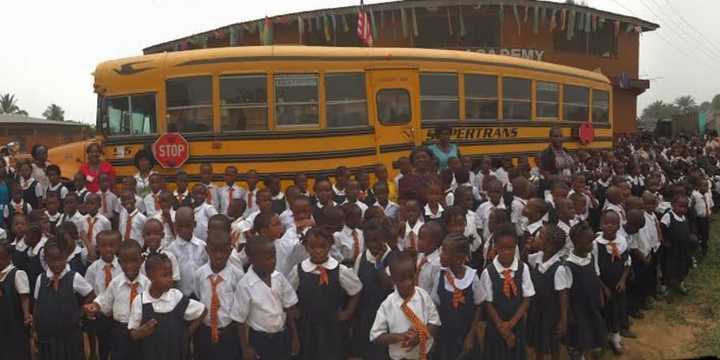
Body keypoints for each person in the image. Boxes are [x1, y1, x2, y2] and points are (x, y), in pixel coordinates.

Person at [288, 226, 363, 360]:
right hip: (307, 325)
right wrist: (293, 309)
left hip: (332, 326)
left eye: (322, 246)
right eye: (312, 246)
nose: (318, 250)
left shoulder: (340, 270)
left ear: (330, 246)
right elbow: (287, 293)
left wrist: (348, 312)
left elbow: (356, 290)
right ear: (306, 247)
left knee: (332, 353)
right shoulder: (298, 270)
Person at [128, 253, 206, 360]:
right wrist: (143, 331)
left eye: (171, 274)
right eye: (165, 275)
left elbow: (202, 311)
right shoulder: (140, 301)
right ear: (150, 276)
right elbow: (132, 334)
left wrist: (186, 334)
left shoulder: (176, 297)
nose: (170, 279)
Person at [232, 235, 299, 360]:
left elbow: (289, 308)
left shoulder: (278, 277)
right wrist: (246, 349)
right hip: (260, 340)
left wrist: (295, 337)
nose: (273, 261)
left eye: (273, 256)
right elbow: (240, 321)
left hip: (282, 337)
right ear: (252, 260)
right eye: (267, 258)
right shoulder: (245, 285)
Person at [85, 239, 149, 360]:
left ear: (141, 260)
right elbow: (105, 301)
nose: (129, 265)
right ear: (119, 262)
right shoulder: (116, 283)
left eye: (134, 261)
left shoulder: (147, 285)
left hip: (141, 331)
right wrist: (95, 306)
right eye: (125, 262)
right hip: (120, 331)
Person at [370, 251, 441, 360]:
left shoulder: (423, 296)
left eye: (411, 277)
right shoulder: (388, 304)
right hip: (400, 357)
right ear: (393, 280)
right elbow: (376, 336)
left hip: (424, 354)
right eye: (402, 279)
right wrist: (402, 336)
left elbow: (435, 323)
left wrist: (420, 337)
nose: (408, 283)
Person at [480, 223, 535, 359]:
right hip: (495, 326)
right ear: (495, 248)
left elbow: (527, 299)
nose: (506, 252)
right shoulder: (488, 272)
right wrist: (501, 326)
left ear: (515, 247)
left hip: (516, 324)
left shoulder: (523, 269)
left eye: (510, 248)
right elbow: (487, 302)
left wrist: (511, 324)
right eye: (502, 248)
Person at [33, 241, 95, 360]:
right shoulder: (41, 279)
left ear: (66, 258)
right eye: (52, 260)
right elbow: (37, 304)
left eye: (60, 260)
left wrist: (80, 313)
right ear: (46, 260)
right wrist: (35, 330)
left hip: (70, 334)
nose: (57, 264)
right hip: (48, 335)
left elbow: (91, 294)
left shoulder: (74, 277)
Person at [192, 231, 244, 360]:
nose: (219, 256)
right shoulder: (199, 274)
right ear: (207, 250)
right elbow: (199, 295)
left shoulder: (237, 276)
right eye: (214, 251)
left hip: (229, 332)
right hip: (205, 331)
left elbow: (240, 304)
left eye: (224, 251)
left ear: (230, 250)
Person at [431, 234, 483, 360]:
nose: (440, 255)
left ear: (458, 258)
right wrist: (434, 336)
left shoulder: (472, 278)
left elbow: (479, 305)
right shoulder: (441, 277)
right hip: (445, 337)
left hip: (467, 336)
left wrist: (471, 335)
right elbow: (436, 307)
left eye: (444, 252)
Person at [353, 218, 396, 360]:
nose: (374, 245)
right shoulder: (362, 257)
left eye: (378, 240)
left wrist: (378, 263)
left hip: (387, 314)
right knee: (368, 349)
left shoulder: (393, 258)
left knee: (383, 351)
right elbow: (356, 284)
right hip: (367, 312)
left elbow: (387, 285)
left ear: (385, 239)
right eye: (370, 241)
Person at [526, 225, 570, 360]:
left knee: (553, 342)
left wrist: (563, 320)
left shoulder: (558, 269)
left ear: (549, 246)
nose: (536, 238)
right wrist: (527, 247)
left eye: (540, 237)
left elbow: (563, 296)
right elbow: (524, 259)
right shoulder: (538, 257)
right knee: (539, 342)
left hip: (551, 314)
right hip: (536, 310)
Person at [565, 222, 607, 360]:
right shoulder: (569, 265)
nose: (592, 244)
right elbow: (566, 292)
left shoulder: (590, 257)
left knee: (593, 329)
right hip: (578, 308)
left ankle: (588, 352)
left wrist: (600, 293)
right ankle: (579, 353)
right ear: (576, 241)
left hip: (591, 304)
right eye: (588, 241)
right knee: (580, 334)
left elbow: (594, 276)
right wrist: (569, 312)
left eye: (592, 240)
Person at [594, 210, 631, 355]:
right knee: (602, 312)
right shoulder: (596, 244)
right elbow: (594, 268)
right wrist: (602, 287)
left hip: (618, 285)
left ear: (618, 225)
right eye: (606, 223)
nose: (609, 226)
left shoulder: (622, 241)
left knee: (616, 310)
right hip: (602, 286)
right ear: (601, 225)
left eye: (613, 223)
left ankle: (615, 338)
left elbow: (627, 262)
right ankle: (599, 341)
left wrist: (623, 280)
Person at [83, 230, 123, 360]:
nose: (108, 249)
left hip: (118, 313)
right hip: (101, 314)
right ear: (98, 247)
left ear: (117, 247)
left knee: (118, 346)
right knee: (103, 346)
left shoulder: (123, 267)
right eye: (103, 246)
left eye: (111, 245)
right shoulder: (93, 269)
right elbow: (88, 291)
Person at [0, 240, 32, 360]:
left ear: (8, 258)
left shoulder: (17, 274)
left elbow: (24, 297)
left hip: (14, 322)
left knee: (16, 351)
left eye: (1, 258)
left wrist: (26, 314)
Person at [167, 207, 208, 296]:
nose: (184, 230)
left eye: (187, 226)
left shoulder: (202, 246)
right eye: (180, 226)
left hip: (202, 293)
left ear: (194, 224)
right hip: (181, 295)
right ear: (175, 226)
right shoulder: (171, 249)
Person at [140, 219, 180, 283]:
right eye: (148, 234)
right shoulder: (142, 259)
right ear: (143, 236)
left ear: (162, 235)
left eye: (156, 233)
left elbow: (175, 279)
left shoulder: (170, 256)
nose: (152, 237)